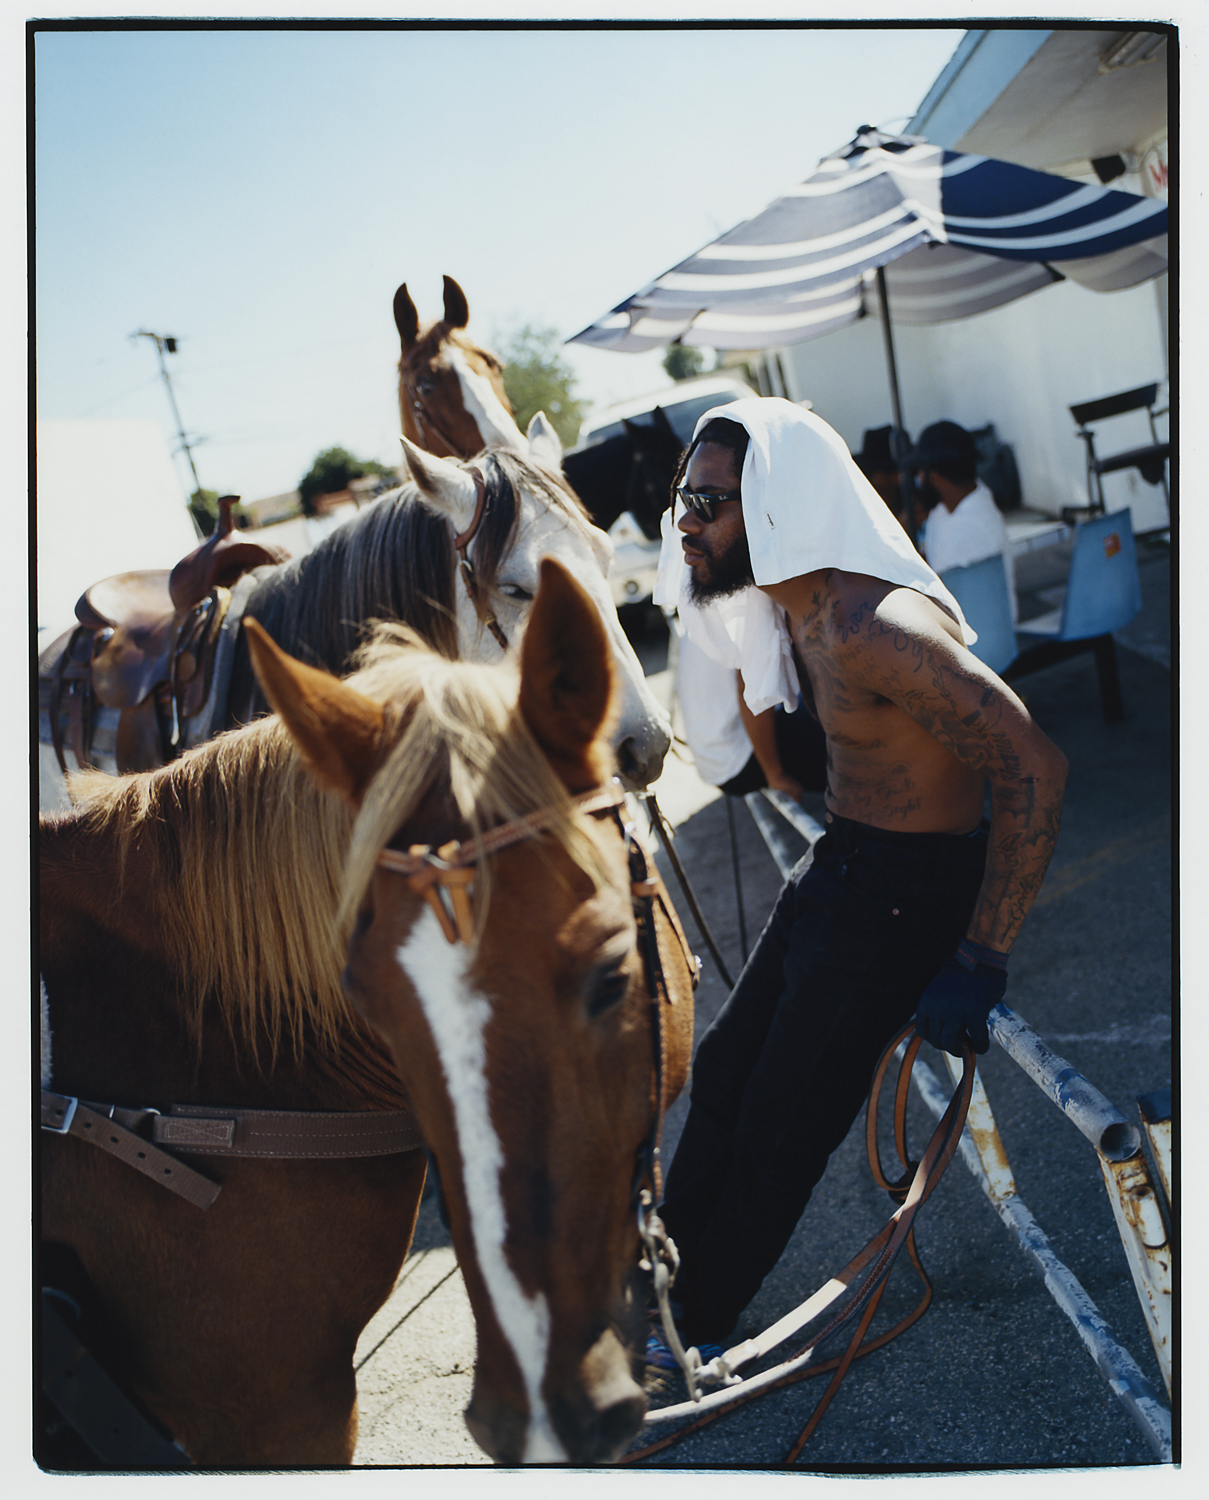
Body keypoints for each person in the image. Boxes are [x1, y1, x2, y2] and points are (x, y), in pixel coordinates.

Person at [647, 397, 1067, 1363]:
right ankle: (653, 1288)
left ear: (773, 503)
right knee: (722, 1078)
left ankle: (689, 1330)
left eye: (708, 502)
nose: (684, 522)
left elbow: (1034, 764)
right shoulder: (789, 602)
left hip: (900, 888)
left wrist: (981, 955)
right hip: (845, 859)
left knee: (778, 1127)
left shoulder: (863, 622)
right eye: (684, 496)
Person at [675, 633, 826, 799]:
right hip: (740, 759)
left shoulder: (697, 610)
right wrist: (775, 775)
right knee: (845, 732)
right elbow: (750, 690)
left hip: (711, 760)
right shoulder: (748, 613)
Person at [913, 420, 1018, 622]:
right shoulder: (950, 508)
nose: (917, 479)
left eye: (920, 472)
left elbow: (935, 600)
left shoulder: (969, 527)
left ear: (935, 478)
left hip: (980, 639)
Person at [852, 424, 907, 526]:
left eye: (902, 472)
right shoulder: (857, 510)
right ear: (869, 476)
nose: (897, 479)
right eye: (888, 473)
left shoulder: (918, 507)